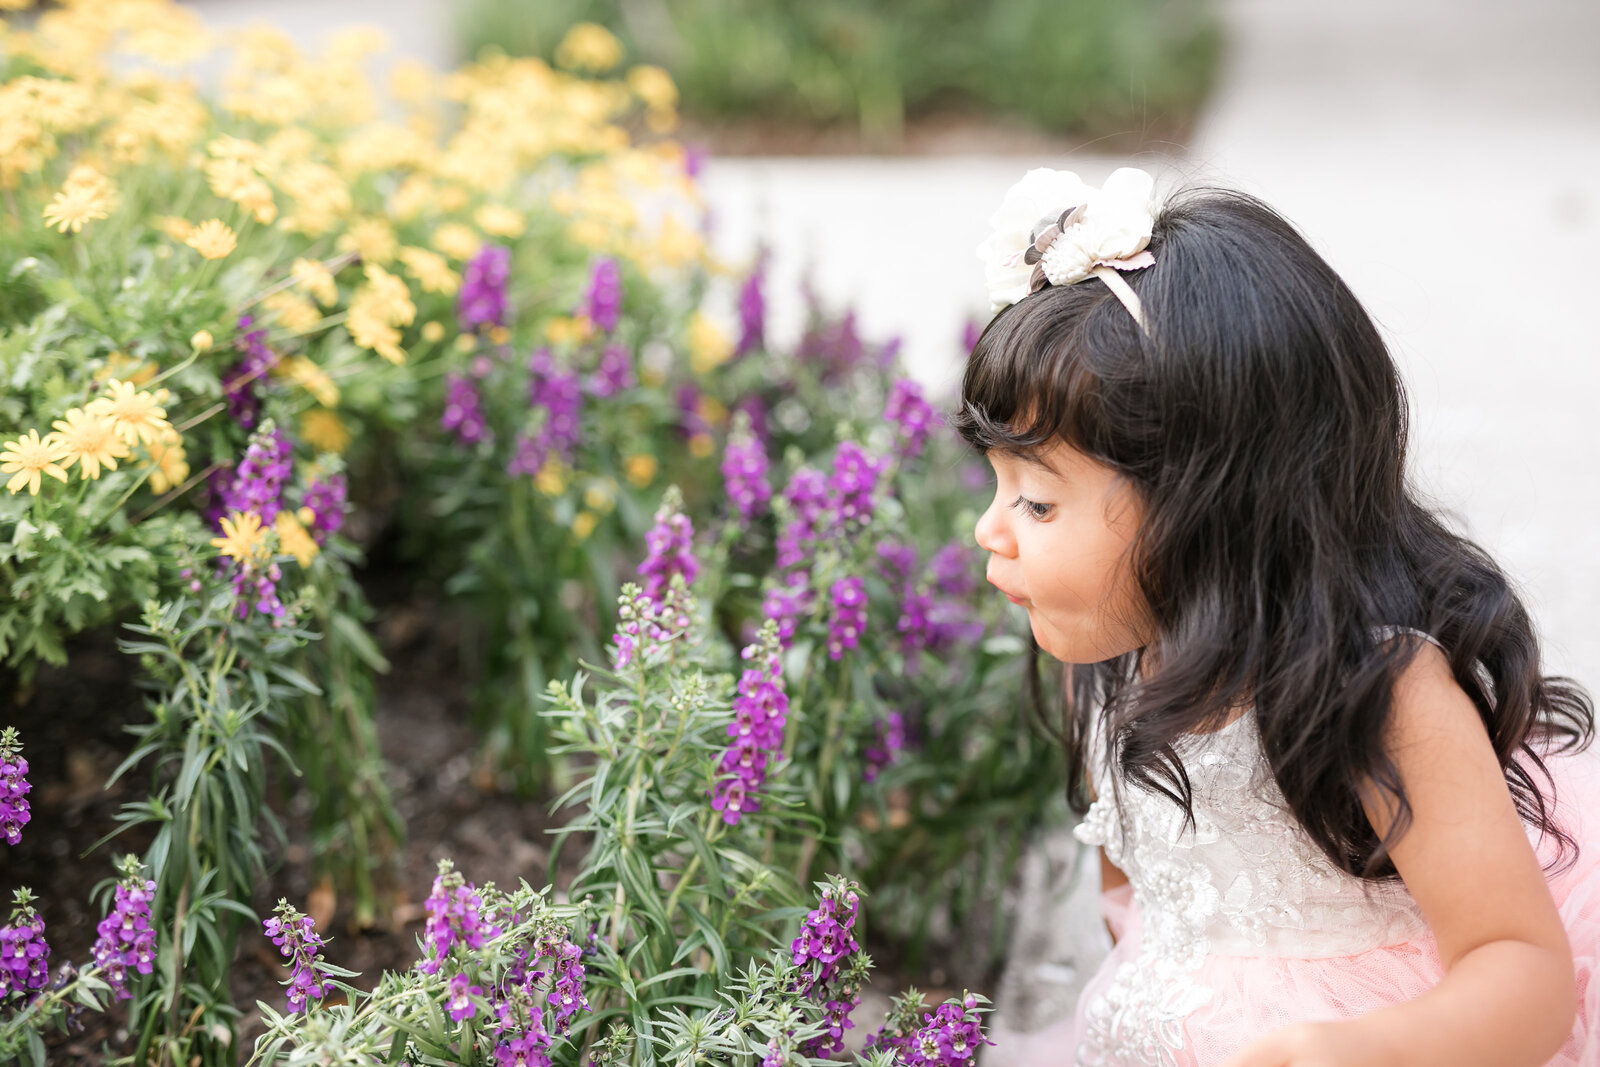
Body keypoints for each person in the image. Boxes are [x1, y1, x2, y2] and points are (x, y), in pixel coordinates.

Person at [955, 167, 1599, 1066]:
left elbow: (1524, 973)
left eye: (1038, 502)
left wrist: (1350, 1051)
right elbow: (1140, 917)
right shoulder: (1103, 670)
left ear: (1205, 503)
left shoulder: (1375, 693)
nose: (989, 527)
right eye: (999, 483)